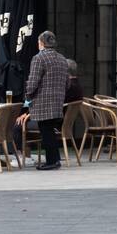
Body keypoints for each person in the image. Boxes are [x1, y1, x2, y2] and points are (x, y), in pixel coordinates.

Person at [20, 30, 69, 171]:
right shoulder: (62, 59)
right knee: (50, 130)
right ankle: (56, 159)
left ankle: (51, 162)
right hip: (58, 101)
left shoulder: (39, 58)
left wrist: (27, 96)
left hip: (43, 101)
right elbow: (67, 83)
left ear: (41, 43)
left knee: (46, 131)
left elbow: (33, 81)